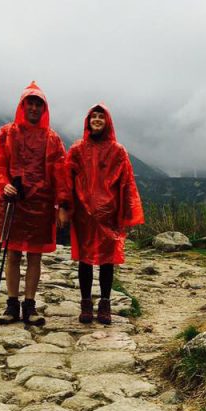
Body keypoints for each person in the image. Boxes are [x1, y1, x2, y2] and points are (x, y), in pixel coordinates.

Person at [0, 81, 66, 325]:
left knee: (35, 256)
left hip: (41, 205)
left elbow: (61, 174)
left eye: (39, 104)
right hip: (12, 201)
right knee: (13, 254)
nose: (35, 108)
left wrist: (62, 205)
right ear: (23, 105)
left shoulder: (53, 139)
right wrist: (1, 183)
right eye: (31, 103)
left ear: (44, 108)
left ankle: (30, 306)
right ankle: (11, 305)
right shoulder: (7, 133)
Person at [61, 103, 144, 325]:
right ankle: (86, 303)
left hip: (109, 214)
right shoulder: (77, 150)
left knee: (107, 261)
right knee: (85, 260)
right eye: (93, 116)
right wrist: (64, 207)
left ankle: (105, 303)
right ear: (88, 122)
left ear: (107, 122)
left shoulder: (118, 151)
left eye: (101, 116)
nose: (97, 120)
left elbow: (127, 184)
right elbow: (66, 181)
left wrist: (127, 213)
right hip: (83, 215)